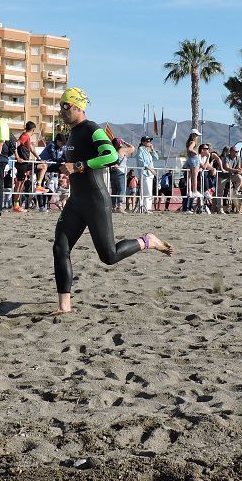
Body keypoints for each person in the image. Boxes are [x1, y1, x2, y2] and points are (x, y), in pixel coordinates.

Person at [52, 88, 173, 314]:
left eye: (65, 106)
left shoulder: (91, 129)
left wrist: (78, 166)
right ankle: (64, 307)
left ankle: (148, 240)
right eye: (61, 106)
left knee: (109, 256)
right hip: (76, 202)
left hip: (96, 200)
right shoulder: (72, 133)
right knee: (60, 247)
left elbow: (111, 155)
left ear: (78, 107)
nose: (61, 111)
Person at [136, 136, 157, 213]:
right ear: (143, 142)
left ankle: (147, 207)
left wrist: (153, 150)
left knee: (149, 192)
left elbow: (156, 158)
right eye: (147, 141)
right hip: (145, 173)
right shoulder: (140, 150)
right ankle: (145, 207)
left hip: (150, 174)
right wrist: (151, 169)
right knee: (146, 191)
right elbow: (142, 163)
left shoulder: (148, 151)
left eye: (149, 141)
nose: (149, 143)